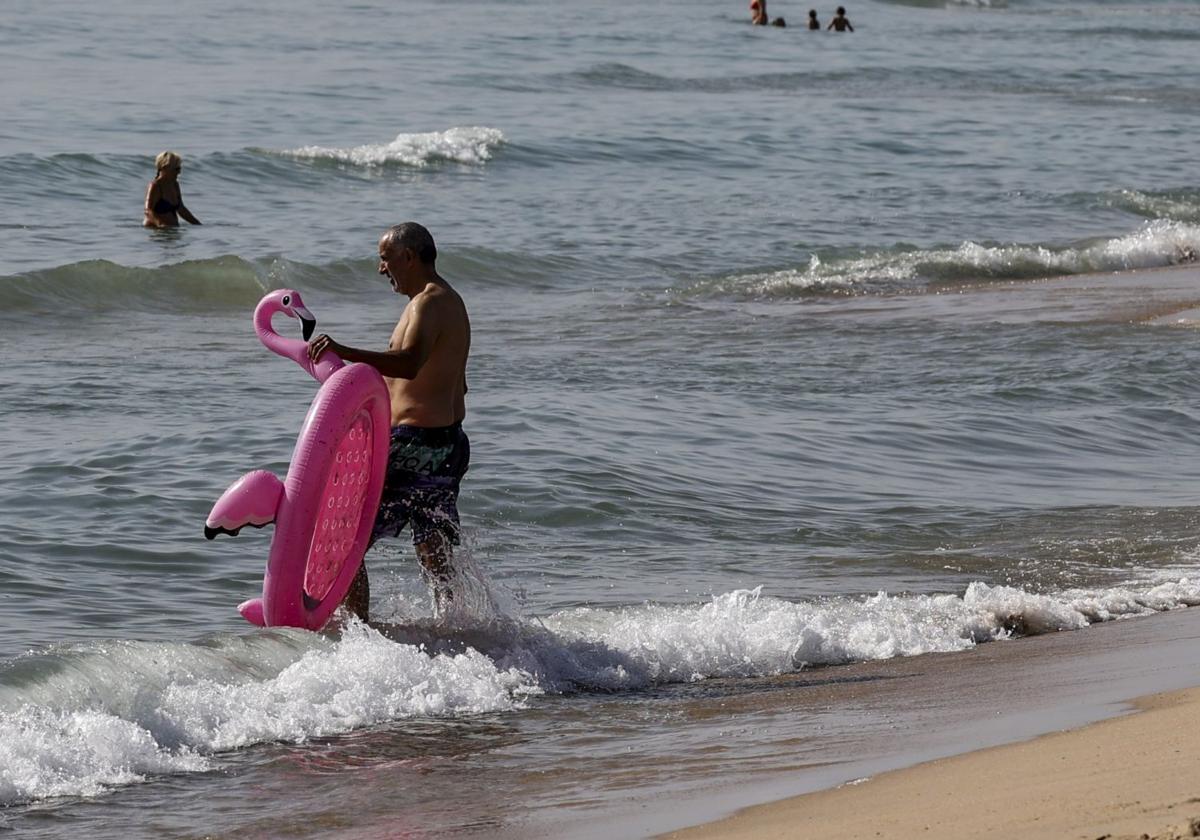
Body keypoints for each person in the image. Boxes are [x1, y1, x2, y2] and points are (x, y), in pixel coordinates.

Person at [306, 222, 471, 621]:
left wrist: (345, 351)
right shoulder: (446, 300)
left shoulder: (428, 303)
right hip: (446, 443)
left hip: (415, 443)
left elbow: (409, 365)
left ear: (409, 257)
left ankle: (356, 634)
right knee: (431, 544)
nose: (381, 268)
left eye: (385, 258)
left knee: (343, 537)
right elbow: (456, 383)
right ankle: (454, 625)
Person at [143, 151, 201, 228]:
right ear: (165, 167)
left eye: (179, 168)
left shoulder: (175, 185)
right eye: (176, 169)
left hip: (171, 232)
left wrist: (198, 225)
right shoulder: (155, 186)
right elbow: (148, 211)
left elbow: (181, 210)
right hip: (157, 233)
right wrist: (160, 224)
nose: (179, 172)